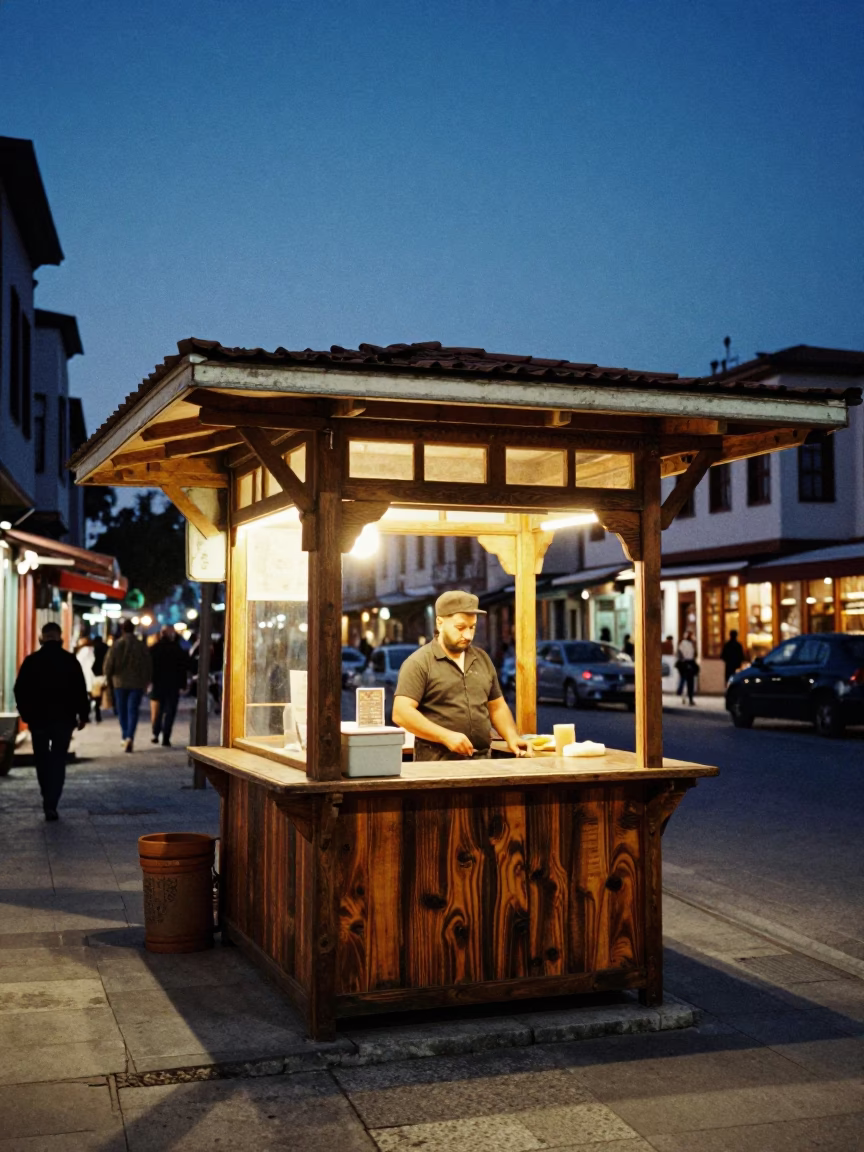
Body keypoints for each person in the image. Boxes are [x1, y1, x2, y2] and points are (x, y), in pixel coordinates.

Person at [392, 590, 532, 761]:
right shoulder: (419, 663)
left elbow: (497, 707)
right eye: (460, 628)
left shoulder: (482, 659)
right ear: (440, 622)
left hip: (482, 762)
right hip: (436, 764)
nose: (467, 635)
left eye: (472, 627)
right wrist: (445, 736)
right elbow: (401, 713)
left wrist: (512, 736)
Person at [14, 622, 89, 820]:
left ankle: (46, 794)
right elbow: (80, 690)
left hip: (38, 720)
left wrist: (26, 714)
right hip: (64, 719)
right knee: (58, 759)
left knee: (41, 758)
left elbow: (19, 690)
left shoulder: (31, 661)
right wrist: (83, 715)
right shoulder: (70, 660)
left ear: (42, 638)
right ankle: (52, 801)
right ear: (60, 637)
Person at [105, 619, 152, 751]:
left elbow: (108, 664)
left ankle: (125, 735)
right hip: (136, 683)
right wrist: (147, 680)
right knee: (133, 710)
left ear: (123, 629)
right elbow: (148, 664)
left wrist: (108, 678)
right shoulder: (141, 645)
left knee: (122, 711)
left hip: (119, 683)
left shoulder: (116, 645)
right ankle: (130, 736)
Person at [150, 625, 189, 747]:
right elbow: (183, 667)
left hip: (158, 684)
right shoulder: (177, 649)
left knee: (159, 710)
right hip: (173, 684)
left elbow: (149, 667)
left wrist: (149, 681)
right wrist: (183, 683)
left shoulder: (154, 649)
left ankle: (156, 733)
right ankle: (166, 736)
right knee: (170, 711)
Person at [676, 630, 699, 706]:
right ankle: (687, 697)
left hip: (688, 663)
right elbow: (681, 653)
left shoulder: (689, 643)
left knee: (687, 681)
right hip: (686, 663)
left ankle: (686, 697)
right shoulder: (685, 643)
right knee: (688, 681)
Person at [90, 635, 108, 722]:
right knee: (101, 693)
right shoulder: (106, 648)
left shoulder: (94, 649)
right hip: (104, 672)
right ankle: (98, 712)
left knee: (95, 693)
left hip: (96, 673)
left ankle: (96, 712)